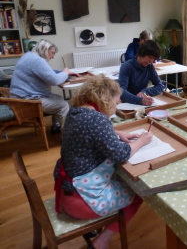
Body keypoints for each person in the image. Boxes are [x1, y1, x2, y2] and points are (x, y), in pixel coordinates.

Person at [53, 75, 153, 249]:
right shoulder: (97, 120)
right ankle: (102, 240)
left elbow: (91, 132)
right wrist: (141, 141)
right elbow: (122, 155)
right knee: (138, 193)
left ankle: (98, 228)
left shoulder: (76, 110)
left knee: (121, 180)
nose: (116, 107)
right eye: (115, 102)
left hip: (67, 192)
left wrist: (116, 133)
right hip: (81, 201)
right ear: (105, 100)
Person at [10, 39, 79, 134]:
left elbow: (46, 71)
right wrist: (65, 73)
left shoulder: (29, 56)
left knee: (58, 99)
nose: (53, 57)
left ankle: (56, 126)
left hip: (18, 98)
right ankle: (68, 135)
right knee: (63, 105)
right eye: (52, 53)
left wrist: (63, 72)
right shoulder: (37, 61)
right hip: (27, 101)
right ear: (45, 49)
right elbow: (55, 80)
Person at [119, 40, 164, 106]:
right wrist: (140, 100)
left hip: (143, 103)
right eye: (150, 57)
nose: (151, 61)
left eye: (153, 59)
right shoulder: (126, 67)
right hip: (127, 103)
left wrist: (144, 91)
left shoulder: (150, 67)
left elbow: (160, 86)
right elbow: (122, 92)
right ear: (142, 53)